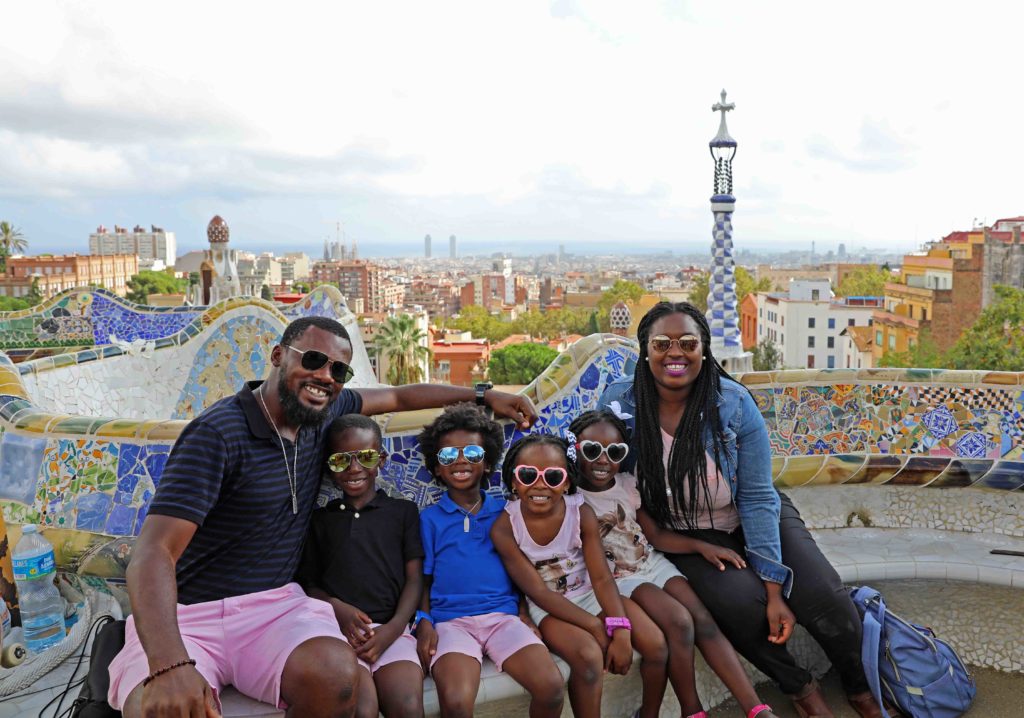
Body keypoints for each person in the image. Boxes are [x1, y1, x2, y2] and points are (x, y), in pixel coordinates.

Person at [108, 316, 537, 718]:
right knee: (159, 706)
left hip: (275, 607)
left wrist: (484, 396)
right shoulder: (218, 434)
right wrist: (169, 663)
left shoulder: (321, 413)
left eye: (339, 371)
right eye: (313, 360)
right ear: (278, 356)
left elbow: (400, 396)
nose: (325, 377)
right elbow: (154, 551)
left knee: (335, 674)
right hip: (193, 614)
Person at [597, 302, 883, 718]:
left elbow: (757, 496)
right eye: (662, 343)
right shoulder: (621, 405)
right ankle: (800, 689)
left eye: (687, 343)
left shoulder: (731, 403)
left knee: (826, 600)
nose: (674, 353)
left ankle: (859, 689)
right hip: (684, 533)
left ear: (704, 350)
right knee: (738, 607)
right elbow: (609, 480)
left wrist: (774, 588)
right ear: (644, 350)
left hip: (752, 513)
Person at [570, 409, 777, 718]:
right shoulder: (572, 500)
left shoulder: (626, 484)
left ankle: (756, 708)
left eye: (614, 451)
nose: (602, 460)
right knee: (679, 622)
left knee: (702, 619)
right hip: (619, 580)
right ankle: (692, 710)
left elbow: (653, 535)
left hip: (651, 563)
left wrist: (701, 547)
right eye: (591, 450)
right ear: (574, 450)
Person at [491, 434, 668, 718]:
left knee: (656, 644)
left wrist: (620, 628)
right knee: (588, 657)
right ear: (513, 481)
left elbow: (600, 578)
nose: (539, 484)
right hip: (549, 608)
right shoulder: (505, 527)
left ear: (567, 482)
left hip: (591, 593)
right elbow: (539, 592)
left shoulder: (580, 512)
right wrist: (597, 628)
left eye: (552, 476)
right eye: (527, 475)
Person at [415, 403, 564, 718]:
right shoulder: (430, 520)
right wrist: (424, 622)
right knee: (455, 702)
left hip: (503, 619)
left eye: (471, 453)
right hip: (451, 623)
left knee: (551, 687)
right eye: (447, 456)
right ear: (436, 467)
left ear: (487, 463)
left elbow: (519, 571)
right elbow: (422, 581)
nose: (460, 462)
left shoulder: (507, 512)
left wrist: (524, 613)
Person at [295, 414, 424, 718]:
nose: (354, 469)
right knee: (362, 710)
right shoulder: (319, 521)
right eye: (341, 460)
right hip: (340, 637)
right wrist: (336, 607)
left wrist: (392, 630)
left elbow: (415, 579)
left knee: (408, 707)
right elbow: (308, 585)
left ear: (381, 459)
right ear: (329, 466)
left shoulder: (402, 512)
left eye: (365, 457)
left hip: (392, 632)